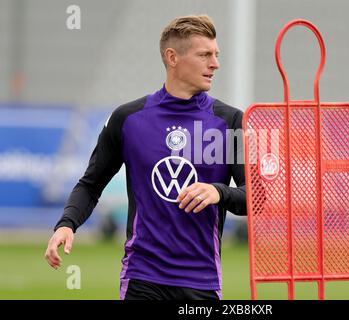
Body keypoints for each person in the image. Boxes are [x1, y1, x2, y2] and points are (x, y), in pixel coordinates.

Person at [44, 15, 246, 300]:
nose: (215, 64)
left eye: (216, 54)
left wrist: (218, 191)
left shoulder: (230, 121)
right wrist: (66, 224)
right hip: (141, 277)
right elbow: (91, 184)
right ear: (172, 57)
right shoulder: (128, 119)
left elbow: (255, 199)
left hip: (201, 281)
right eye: (204, 55)